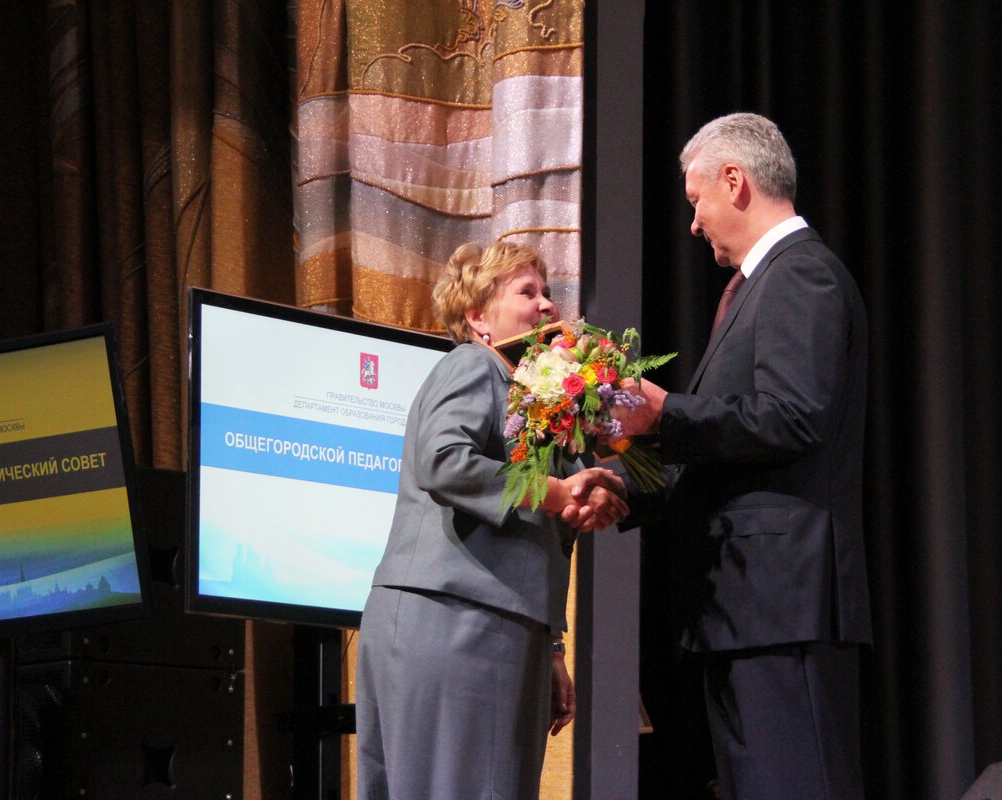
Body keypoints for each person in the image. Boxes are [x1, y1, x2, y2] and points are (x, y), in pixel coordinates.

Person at [615, 113, 871, 799]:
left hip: (782, 602)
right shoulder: (762, 285)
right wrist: (620, 482)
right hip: (745, 608)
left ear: (735, 181)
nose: (693, 223)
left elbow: (792, 416)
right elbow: (722, 450)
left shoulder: (801, 274)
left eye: (696, 199)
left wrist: (665, 412)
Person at [354, 240, 629, 800]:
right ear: (478, 317)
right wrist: (554, 491)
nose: (547, 305)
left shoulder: (532, 405)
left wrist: (551, 647)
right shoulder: (474, 364)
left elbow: (547, 530)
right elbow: (442, 461)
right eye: (527, 292)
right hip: (455, 619)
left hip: (496, 624)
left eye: (547, 292)